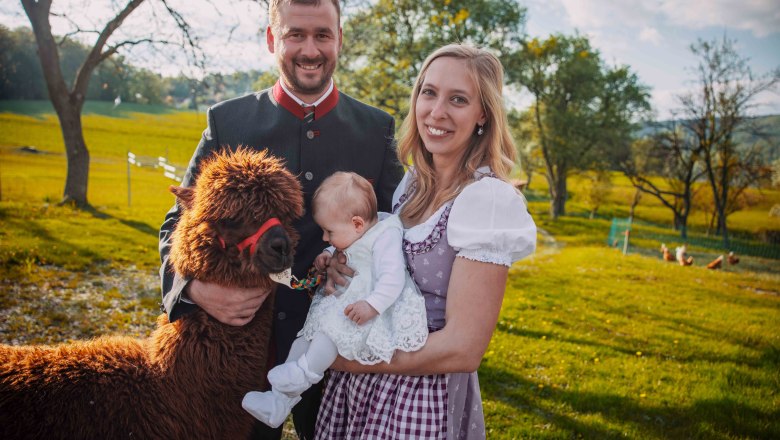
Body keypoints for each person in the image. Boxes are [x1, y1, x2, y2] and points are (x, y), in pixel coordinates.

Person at [157, 0, 404, 438]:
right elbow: (177, 222)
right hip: (242, 355)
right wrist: (192, 289)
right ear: (273, 39)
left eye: (323, 35)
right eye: (296, 35)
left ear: (339, 40)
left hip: (340, 352)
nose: (310, 49)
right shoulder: (227, 122)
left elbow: (396, 229)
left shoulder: (377, 128)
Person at [316, 44, 537, 439]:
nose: (437, 112)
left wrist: (348, 359)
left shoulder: (487, 200)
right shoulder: (412, 184)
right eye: (428, 92)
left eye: (458, 99)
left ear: (483, 113)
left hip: (422, 396)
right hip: (363, 390)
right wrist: (343, 260)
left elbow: (463, 348)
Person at [242, 171, 428, 428]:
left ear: (358, 224)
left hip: (365, 308)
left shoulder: (386, 235)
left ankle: (304, 374)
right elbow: (347, 243)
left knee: (327, 337)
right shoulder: (356, 229)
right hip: (342, 301)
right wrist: (328, 253)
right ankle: (278, 401)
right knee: (305, 337)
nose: (324, 238)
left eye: (328, 232)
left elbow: (393, 278)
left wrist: (372, 305)